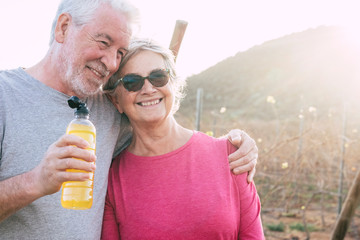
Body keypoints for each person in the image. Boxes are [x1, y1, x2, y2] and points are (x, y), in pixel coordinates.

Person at [0, 0, 258, 239]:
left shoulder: (106, 107)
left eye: (120, 52)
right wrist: (34, 182)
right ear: (64, 27)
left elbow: (159, 126)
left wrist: (237, 143)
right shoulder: (4, 95)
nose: (111, 63)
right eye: (103, 42)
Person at [101, 38, 264, 239]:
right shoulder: (112, 181)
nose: (149, 89)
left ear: (173, 85)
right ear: (115, 100)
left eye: (158, 76)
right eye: (132, 82)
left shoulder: (232, 155)